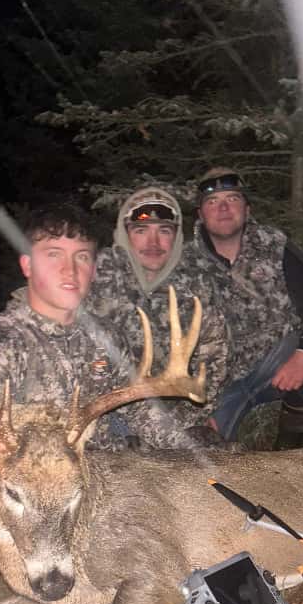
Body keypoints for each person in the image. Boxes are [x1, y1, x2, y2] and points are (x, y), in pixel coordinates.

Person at [0, 203, 195, 477]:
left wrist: (194, 442)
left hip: (115, 478)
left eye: (81, 257)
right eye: (54, 255)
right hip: (47, 487)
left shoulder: (108, 336)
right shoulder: (2, 342)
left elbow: (140, 411)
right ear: (28, 265)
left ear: (93, 270)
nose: (70, 270)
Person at [184, 167, 303, 441]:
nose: (223, 208)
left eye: (232, 199)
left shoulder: (273, 246)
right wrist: (194, 412)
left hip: (275, 365)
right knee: (201, 449)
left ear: (247, 209)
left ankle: (290, 444)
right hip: (218, 386)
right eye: (213, 202)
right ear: (200, 215)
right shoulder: (184, 264)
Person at [84, 186, 230, 443]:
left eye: (164, 231)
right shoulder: (92, 277)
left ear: (176, 237)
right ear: (125, 233)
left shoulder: (196, 285)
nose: (153, 243)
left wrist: (192, 418)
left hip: (176, 411)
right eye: (141, 231)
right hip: (107, 413)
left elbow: (214, 363)